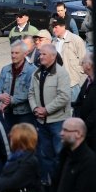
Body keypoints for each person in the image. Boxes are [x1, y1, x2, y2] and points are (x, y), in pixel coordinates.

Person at [28, 44, 71, 182]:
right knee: (45, 155)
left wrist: (46, 110)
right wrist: (35, 109)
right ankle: (48, 183)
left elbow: (64, 97)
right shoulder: (36, 73)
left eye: (44, 54)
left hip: (57, 121)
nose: (40, 57)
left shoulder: (61, 73)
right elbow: (31, 94)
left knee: (59, 154)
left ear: (53, 56)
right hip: (41, 121)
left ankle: (61, 183)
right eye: (40, 54)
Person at [0, 124, 44, 192]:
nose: (9, 137)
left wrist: (0, 182)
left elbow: (12, 183)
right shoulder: (15, 157)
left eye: (12, 135)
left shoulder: (29, 161)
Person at [53, 118, 96, 192]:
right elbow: (55, 183)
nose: (61, 133)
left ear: (78, 133)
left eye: (65, 130)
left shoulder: (89, 161)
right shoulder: (64, 155)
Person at [0, 41, 37, 128]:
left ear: (24, 54)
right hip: (8, 113)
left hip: (25, 114)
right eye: (12, 53)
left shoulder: (32, 71)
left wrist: (10, 100)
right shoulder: (5, 69)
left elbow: (29, 92)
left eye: (16, 53)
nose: (13, 56)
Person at [52, 17, 86, 102]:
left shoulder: (76, 40)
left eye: (56, 27)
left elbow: (84, 61)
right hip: (59, 85)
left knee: (75, 110)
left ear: (63, 26)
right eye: (53, 27)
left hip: (73, 84)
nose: (53, 30)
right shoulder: (53, 42)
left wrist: (78, 77)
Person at [73, 53, 96, 148]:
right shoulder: (88, 80)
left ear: (89, 65)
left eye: (83, 62)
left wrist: (84, 125)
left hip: (95, 133)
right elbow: (79, 102)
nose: (81, 65)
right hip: (84, 130)